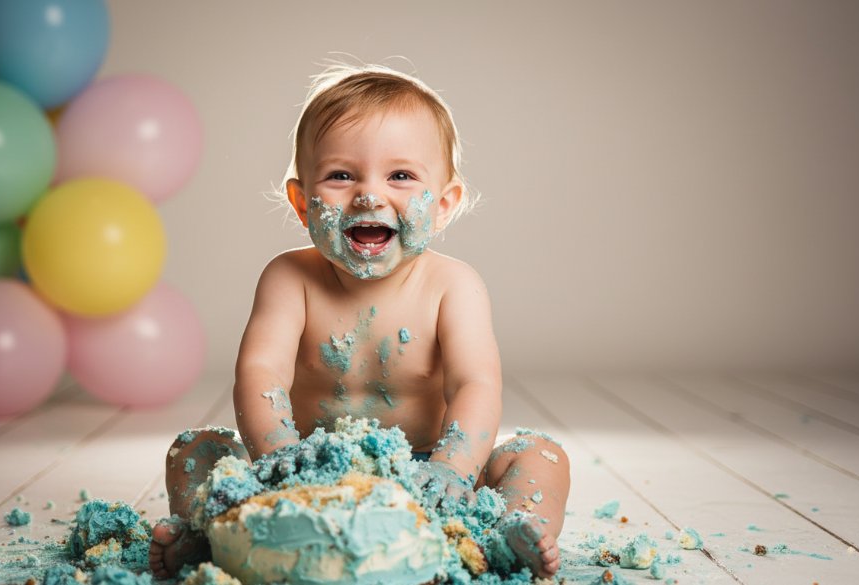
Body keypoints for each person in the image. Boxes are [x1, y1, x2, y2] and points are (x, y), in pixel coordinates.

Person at [149, 63, 570, 580]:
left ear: (442, 205)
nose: (369, 195)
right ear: (303, 203)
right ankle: (207, 532)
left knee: (540, 456)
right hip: (305, 473)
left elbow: (475, 384)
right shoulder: (289, 278)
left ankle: (507, 532)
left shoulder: (454, 286)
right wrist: (282, 459)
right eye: (341, 175)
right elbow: (261, 374)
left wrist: (454, 469)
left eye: (400, 175)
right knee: (195, 449)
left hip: (425, 477)